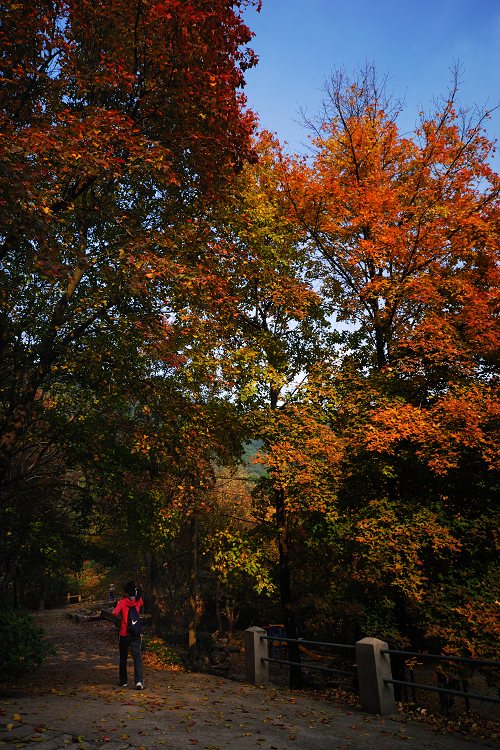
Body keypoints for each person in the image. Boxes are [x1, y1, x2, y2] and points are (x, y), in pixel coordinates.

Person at [112, 581, 144, 689]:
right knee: (137, 657)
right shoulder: (139, 600)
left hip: (124, 634)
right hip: (135, 633)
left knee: (123, 658)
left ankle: (123, 681)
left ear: (125, 592)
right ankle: (139, 681)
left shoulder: (121, 602)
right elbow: (140, 603)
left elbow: (114, 613)